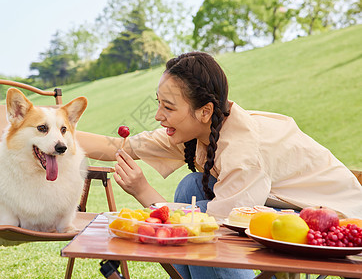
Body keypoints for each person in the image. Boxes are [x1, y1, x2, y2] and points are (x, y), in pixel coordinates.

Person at [77, 51, 362, 279]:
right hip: (279, 207)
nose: (157, 116)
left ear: (205, 111)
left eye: (168, 107)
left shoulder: (243, 150)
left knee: (199, 223)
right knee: (191, 185)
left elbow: (212, 227)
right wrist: (52, 131)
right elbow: (116, 147)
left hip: (330, 222)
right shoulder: (198, 129)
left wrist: (142, 190)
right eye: (159, 103)